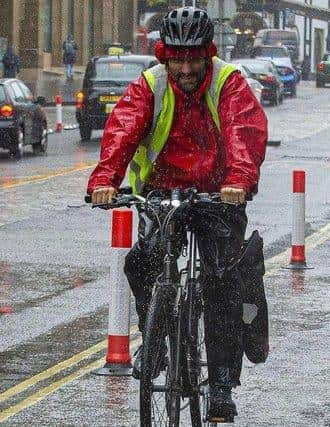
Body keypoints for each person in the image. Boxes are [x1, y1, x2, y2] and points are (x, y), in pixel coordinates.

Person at [86, 6, 268, 421]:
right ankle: (159, 337)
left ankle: (221, 382)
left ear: (208, 54)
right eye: (177, 59)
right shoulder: (150, 84)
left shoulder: (228, 83)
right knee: (142, 262)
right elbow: (122, 129)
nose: (185, 68)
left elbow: (245, 132)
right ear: (165, 55)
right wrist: (105, 180)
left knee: (222, 281)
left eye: (194, 58)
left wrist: (238, 180)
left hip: (220, 194)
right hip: (163, 190)